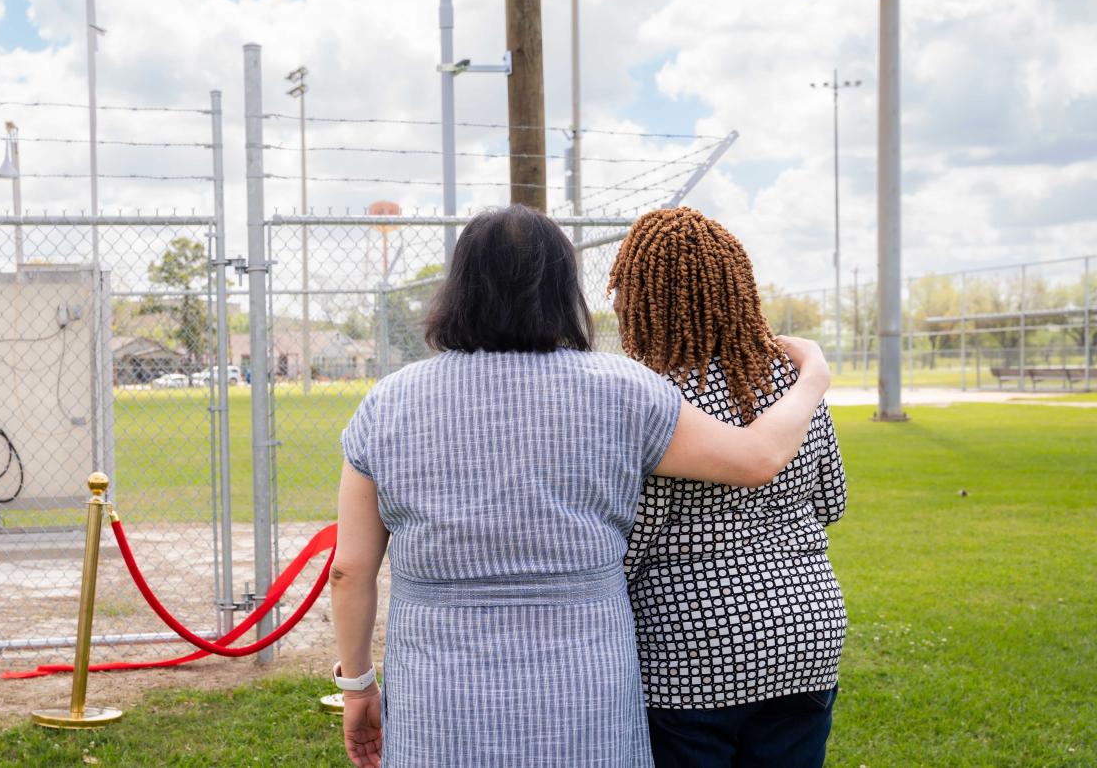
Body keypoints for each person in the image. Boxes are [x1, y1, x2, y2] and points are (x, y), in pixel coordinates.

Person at [329, 205, 833, 767]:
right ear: (564, 290)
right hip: (586, 691)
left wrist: (358, 687)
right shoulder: (625, 389)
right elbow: (759, 457)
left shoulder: (387, 403)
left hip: (438, 698)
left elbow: (349, 571)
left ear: (459, 287)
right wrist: (811, 378)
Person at [611, 206, 847, 768]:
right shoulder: (793, 383)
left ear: (647, 295)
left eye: (622, 285)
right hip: (807, 629)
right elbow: (832, 499)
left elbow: (633, 543)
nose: (615, 299)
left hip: (691, 650)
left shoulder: (657, 396)